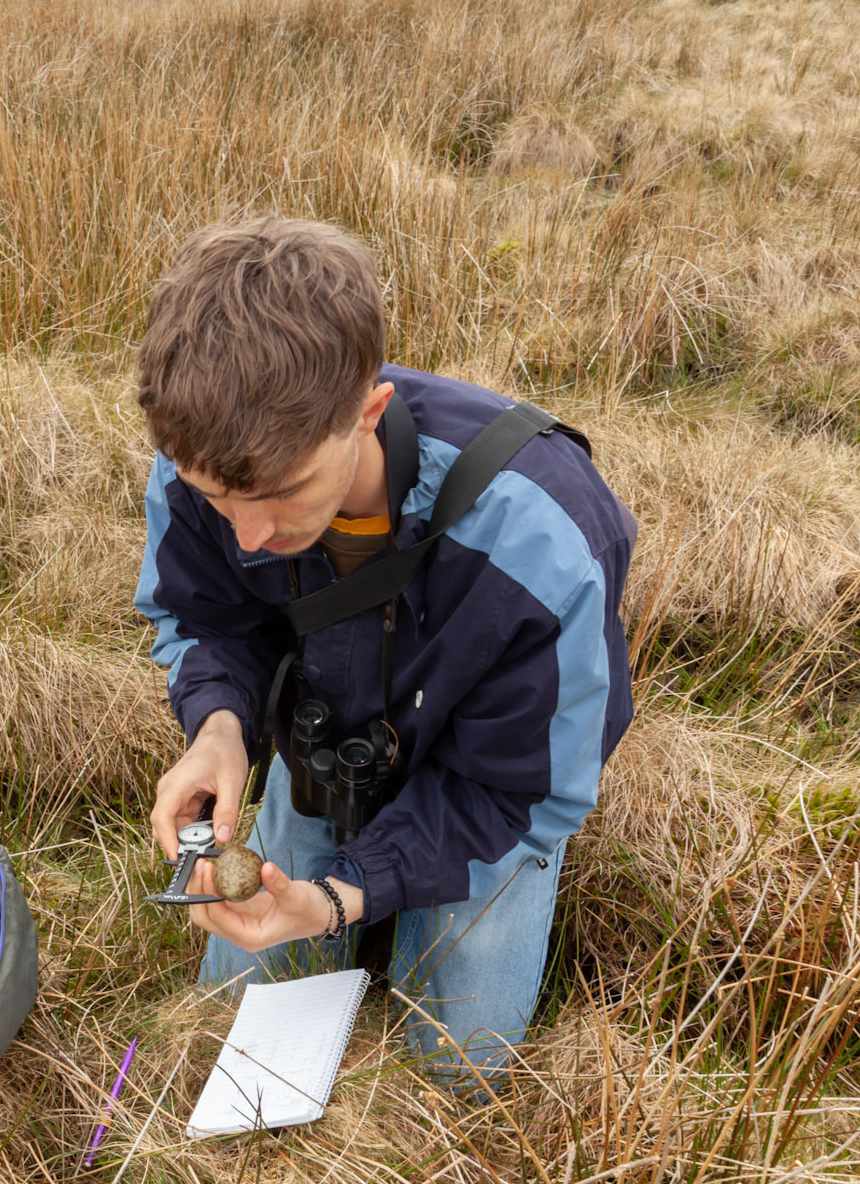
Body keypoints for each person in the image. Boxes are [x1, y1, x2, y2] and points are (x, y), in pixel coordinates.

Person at [134, 218, 636, 1083]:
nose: (248, 534)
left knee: (453, 1069)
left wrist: (336, 898)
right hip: (323, 759)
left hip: (482, 794)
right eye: (220, 499)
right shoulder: (202, 455)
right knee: (231, 1032)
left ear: (368, 412)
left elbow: (524, 786)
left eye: (283, 493)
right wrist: (218, 728)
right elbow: (207, 617)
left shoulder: (543, 539)